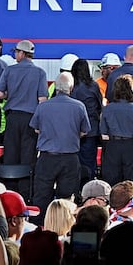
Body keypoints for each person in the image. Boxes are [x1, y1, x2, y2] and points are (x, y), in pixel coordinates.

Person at [29, 72, 91, 215]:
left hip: (47, 158)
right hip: (70, 158)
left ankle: (39, 227)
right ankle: (64, 227)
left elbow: (36, 129)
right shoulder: (79, 107)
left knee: (41, 196)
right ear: (71, 87)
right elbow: (84, 131)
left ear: (55, 87)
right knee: (67, 200)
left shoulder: (43, 107)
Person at [0, 39, 45, 167]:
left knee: (11, 155)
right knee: (28, 157)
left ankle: (11, 185)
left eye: (16, 52)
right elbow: (42, 100)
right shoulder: (40, 73)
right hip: (31, 119)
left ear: (22, 53)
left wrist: (10, 94)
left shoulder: (9, 70)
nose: (15, 55)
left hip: (13, 118)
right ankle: (26, 186)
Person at [100, 75, 133, 187]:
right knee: (132, 183)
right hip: (131, 146)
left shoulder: (107, 109)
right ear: (130, 90)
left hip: (112, 146)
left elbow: (104, 135)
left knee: (112, 182)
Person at [69, 58, 104, 179]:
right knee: (89, 163)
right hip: (91, 129)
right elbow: (99, 106)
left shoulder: (71, 86)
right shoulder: (93, 86)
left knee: (72, 163)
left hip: (72, 129)